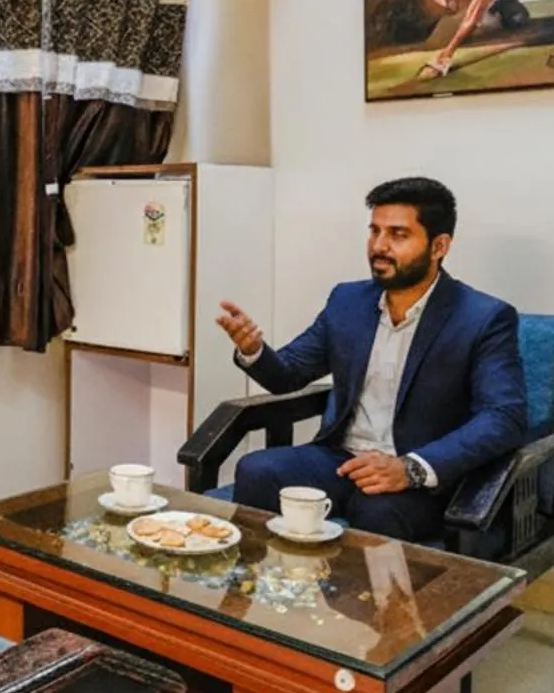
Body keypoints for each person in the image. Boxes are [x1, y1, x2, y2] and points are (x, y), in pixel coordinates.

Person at [217, 177, 526, 543]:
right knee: (257, 469)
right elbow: (290, 373)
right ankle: (258, 589)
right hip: (342, 460)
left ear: (439, 246)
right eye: (375, 231)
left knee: (377, 510)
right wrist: (253, 350)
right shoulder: (347, 302)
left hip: (418, 477)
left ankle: (371, 602)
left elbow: (504, 416)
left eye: (398, 235)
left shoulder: (482, 317)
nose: (379, 246)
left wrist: (410, 468)